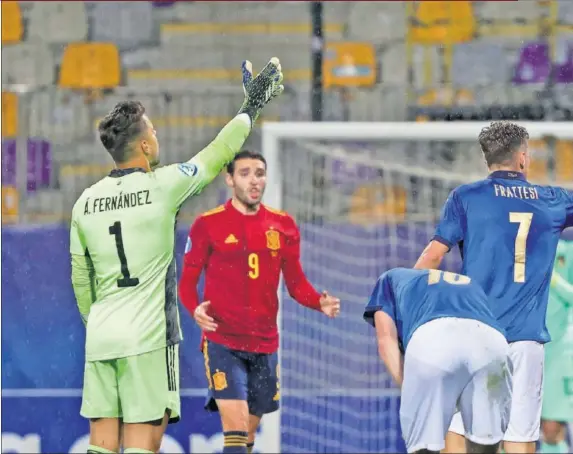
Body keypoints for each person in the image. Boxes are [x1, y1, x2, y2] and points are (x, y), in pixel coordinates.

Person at [70, 58, 284, 454]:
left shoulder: (84, 202)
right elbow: (218, 153)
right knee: (141, 444)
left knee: (99, 445)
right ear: (145, 145)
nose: (156, 131)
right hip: (146, 337)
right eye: (152, 127)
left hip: (101, 336)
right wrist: (250, 108)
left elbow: (81, 280)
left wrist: (97, 321)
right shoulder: (162, 185)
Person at [414, 121, 573, 453]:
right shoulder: (552, 200)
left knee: (456, 429)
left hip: (476, 334)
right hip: (525, 341)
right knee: (519, 434)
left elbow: (430, 260)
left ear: (487, 159)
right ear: (523, 158)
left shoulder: (466, 197)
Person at [178, 149, 341, 454]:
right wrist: (195, 310)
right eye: (245, 173)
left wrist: (319, 302)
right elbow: (186, 284)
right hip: (222, 341)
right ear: (229, 179)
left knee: (248, 438)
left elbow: (295, 285)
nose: (254, 180)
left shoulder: (284, 225)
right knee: (237, 432)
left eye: (259, 173)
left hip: (265, 345)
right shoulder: (208, 224)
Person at [363, 267, 512, 454]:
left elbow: (386, 341)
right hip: (492, 344)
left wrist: (409, 388)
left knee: (424, 449)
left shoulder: (388, 279)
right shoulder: (469, 283)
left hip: (432, 340)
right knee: (485, 448)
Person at [540, 240, 573, 454]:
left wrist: (552, 280)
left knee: (551, 427)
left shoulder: (568, 249)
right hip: (526, 344)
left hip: (560, 348)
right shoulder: (527, 245)